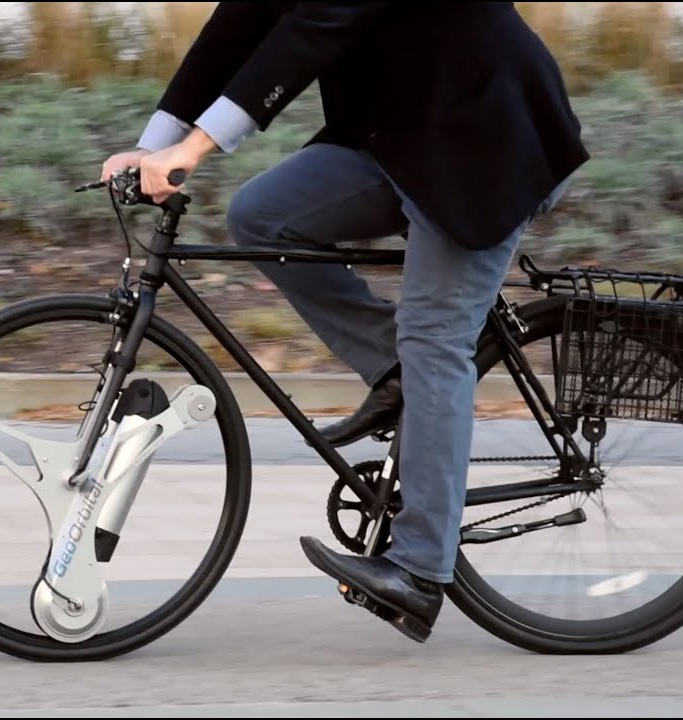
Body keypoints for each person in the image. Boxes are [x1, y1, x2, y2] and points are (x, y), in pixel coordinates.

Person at [100, 2, 589, 643]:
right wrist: (152, 146)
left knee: (435, 339)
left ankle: (417, 571)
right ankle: (397, 372)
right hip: (402, 135)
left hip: (484, 137)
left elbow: (314, 28)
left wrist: (195, 147)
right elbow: (235, 33)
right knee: (262, 218)